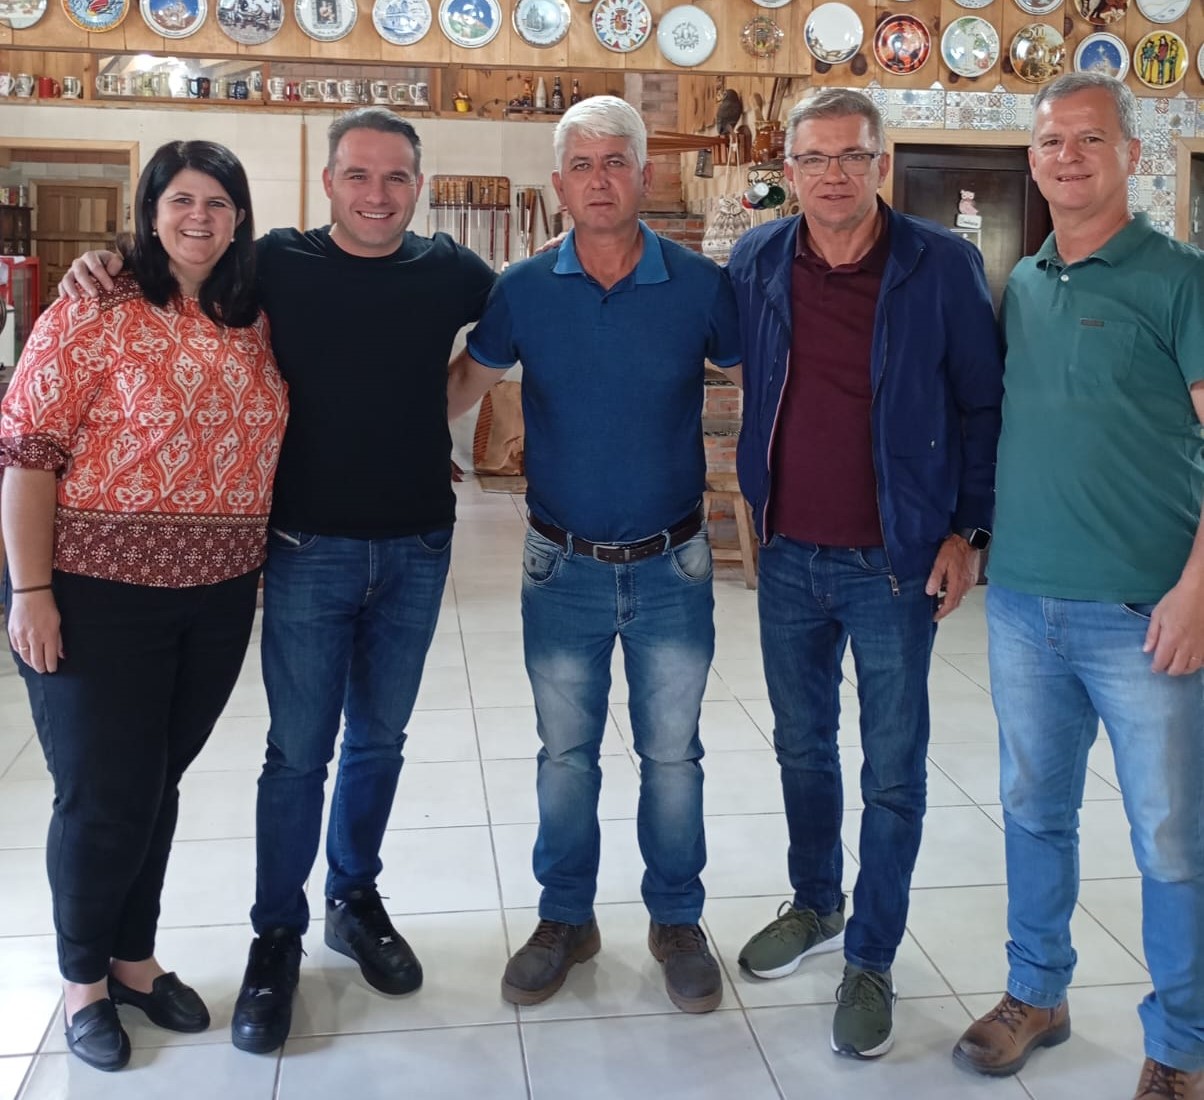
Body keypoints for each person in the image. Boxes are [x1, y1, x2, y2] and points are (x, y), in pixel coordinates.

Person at [60, 107, 496, 1055]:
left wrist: (437, 412)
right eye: (356, 176)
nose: (375, 195)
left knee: (380, 741)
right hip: (306, 548)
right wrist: (97, 262)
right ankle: (276, 933)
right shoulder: (280, 267)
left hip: (418, 547)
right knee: (298, 753)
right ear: (328, 183)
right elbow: (174, 261)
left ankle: (354, 900)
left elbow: (491, 353)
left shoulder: (456, 270)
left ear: (416, 185)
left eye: (394, 178)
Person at [447, 95, 742, 1014]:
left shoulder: (699, 284)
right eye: (583, 164)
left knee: (672, 757)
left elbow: (765, 379)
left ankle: (677, 920)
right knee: (565, 754)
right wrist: (377, 432)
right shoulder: (524, 288)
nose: (601, 178)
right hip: (560, 564)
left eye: (617, 161)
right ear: (559, 184)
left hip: (673, 562)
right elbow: (466, 383)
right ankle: (565, 917)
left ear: (643, 175)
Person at [725, 88, 1004, 1059]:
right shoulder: (757, 257)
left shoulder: (942, 265)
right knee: (802, 747)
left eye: (851, 155)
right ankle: (815, 900)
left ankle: (873, 953)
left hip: (893, 564)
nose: (832, 173)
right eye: (814, 157)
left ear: (879, 164)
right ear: (788, 168)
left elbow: (981, 406)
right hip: (790, 554)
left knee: (890, 770)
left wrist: (968, 530)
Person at [1, 140, 286, 1072]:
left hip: (212, 600)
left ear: (240, 216)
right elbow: (28, 453)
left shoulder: (254, 318)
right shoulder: (93, 305)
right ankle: (83, 983)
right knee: (102, 798)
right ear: (150, 208)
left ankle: (134, 960)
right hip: (92, 595)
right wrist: (32, 590)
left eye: (218, 202)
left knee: (154, 784)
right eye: (180, 200)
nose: (199, 217)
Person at [951, 73, 1204, 1100]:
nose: (1064, 156)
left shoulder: (1179, 279)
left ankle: (1181, 1044)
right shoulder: (1023, 284)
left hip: (1146, 612)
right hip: (1023, 605)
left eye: (1087, 139)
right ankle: (1036, 991)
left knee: (1171, 837)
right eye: (1048, 140)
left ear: (1131, 156)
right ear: (1031, 160)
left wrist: (1197, 587)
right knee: (1033, 809)